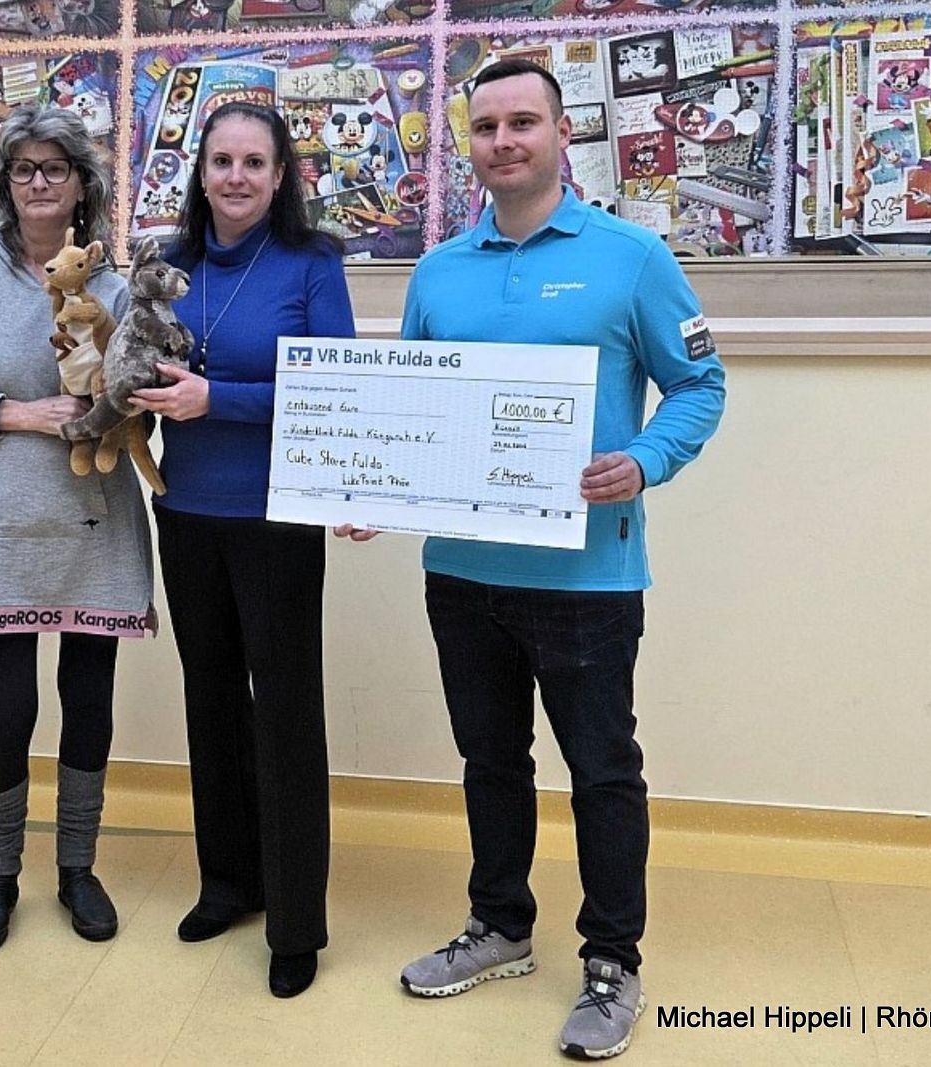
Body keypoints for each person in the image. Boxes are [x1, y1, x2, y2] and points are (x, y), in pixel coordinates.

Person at [385, 60, 726, 1059]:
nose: (504, 140)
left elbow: (700, 385)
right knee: (489, 761)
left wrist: (644, 459)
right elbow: (410, 412)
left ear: (562, 132)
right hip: (462, 574)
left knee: (603, 773)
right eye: (486, 125)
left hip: (587, 580)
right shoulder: (438, 270)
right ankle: (499, 925)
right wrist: (371, 490)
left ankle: (612, 960)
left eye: (523, 121)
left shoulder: (632, 257)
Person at [0, 106, 153, 954]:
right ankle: (0, 875)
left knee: (90, 702)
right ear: (5, 184)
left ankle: (78, 868)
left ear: (83, 184)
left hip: (97, 521)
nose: (39, 182)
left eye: (55, 168)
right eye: (23, 169)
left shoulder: (113, 285)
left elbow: (136, 405)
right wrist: (19, 413)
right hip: (1, 524)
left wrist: (133, 404)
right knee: (9, 708)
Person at [129, 101, 355, 999]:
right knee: (211, 700)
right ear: (201, 171)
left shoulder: (312, 261)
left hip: (278, 521)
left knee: (286, 712)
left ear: (280, 174)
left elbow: (334, 388)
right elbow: (136, 361)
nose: (235, 177)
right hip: (185, 513)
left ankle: (296, 922)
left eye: (253, 162)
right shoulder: (166, 263)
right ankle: (229, 881)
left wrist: (213, 399)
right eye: (220, 160)